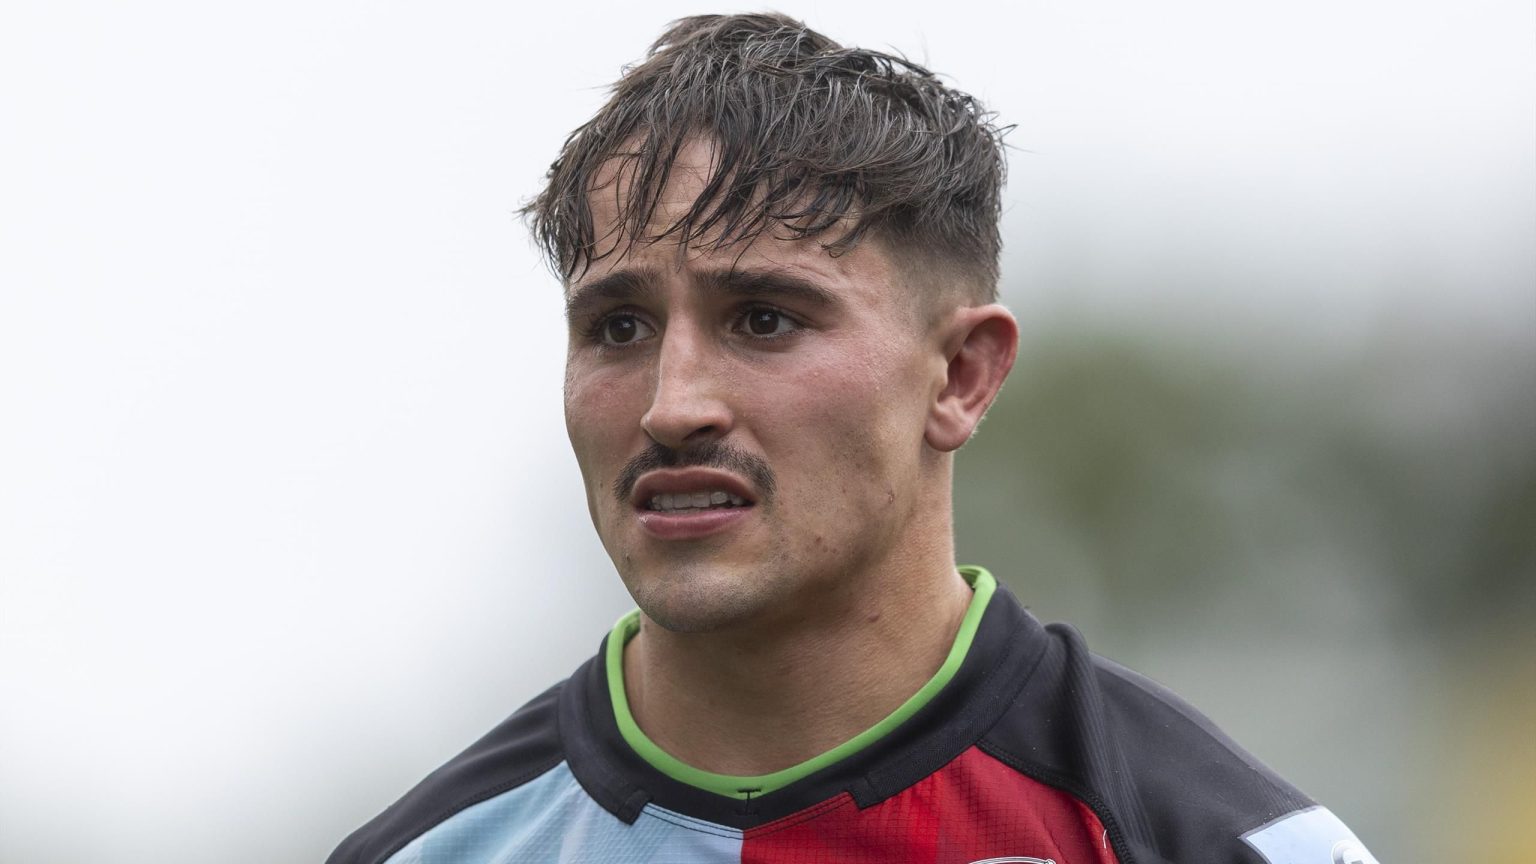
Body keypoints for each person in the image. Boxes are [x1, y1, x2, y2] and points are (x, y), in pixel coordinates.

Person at [328, 13, 1378, 864]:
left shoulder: (1217, 843)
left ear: (961, 377)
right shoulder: (431, 852)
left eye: (764, 319)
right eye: (619, 328)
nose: (672, 405)